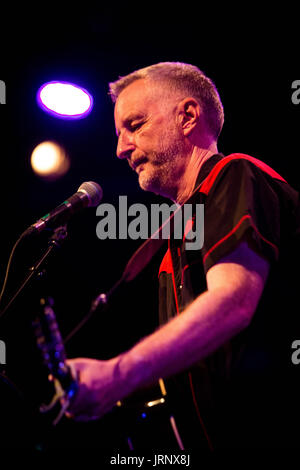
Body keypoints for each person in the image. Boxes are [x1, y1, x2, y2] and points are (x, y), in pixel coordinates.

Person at [66, 62, 300, 449]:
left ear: (187, 116)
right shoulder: (172, 240)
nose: (120, 148)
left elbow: (234, 301)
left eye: (134, 125)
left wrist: (117, 375)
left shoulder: (234, 173)